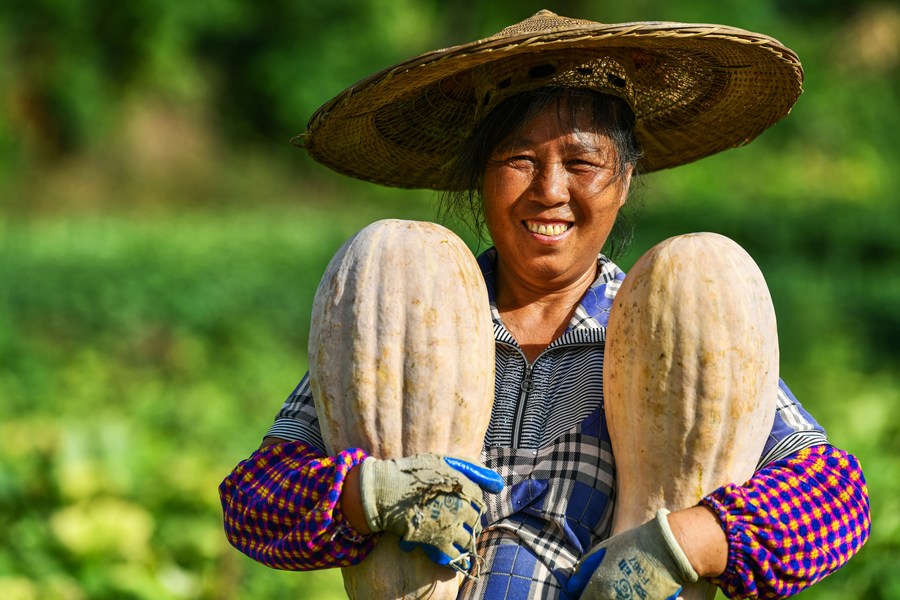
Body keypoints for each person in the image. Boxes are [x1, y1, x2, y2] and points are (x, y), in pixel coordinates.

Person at [219, 10, 870, 599]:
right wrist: (373, 495)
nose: (549, 191)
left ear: (625, 178)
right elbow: (253, 503)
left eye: (582, 162)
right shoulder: (404, 318)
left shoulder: (677, 327)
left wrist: (686, 544)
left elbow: (837, 500)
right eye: (519, 160)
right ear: (480, 176)